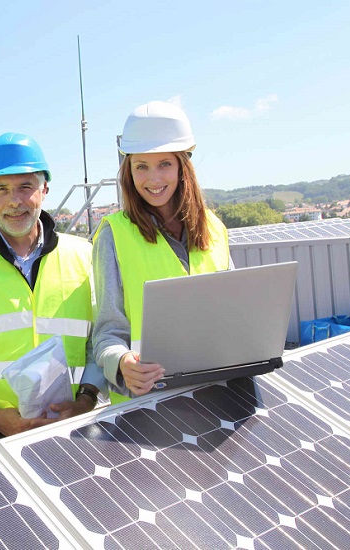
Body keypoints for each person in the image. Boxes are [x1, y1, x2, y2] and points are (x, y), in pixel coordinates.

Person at [0, 132, 105, 443]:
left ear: (44, 190)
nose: (14, 201)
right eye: (1, 189)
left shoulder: (84, 256)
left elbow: (97, 340)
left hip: (72, 426)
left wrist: (86, 399)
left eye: (25, 187)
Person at [93, 101, 232, 402]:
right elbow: (106, 334)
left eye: (165, 164)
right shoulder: (113, 235)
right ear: (129, 171)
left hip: (217, 392)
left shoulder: (215, 228)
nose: (153, 179)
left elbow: (236, 313)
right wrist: (122, 362)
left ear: (183, 166)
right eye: (141, 166)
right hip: (147, 404)